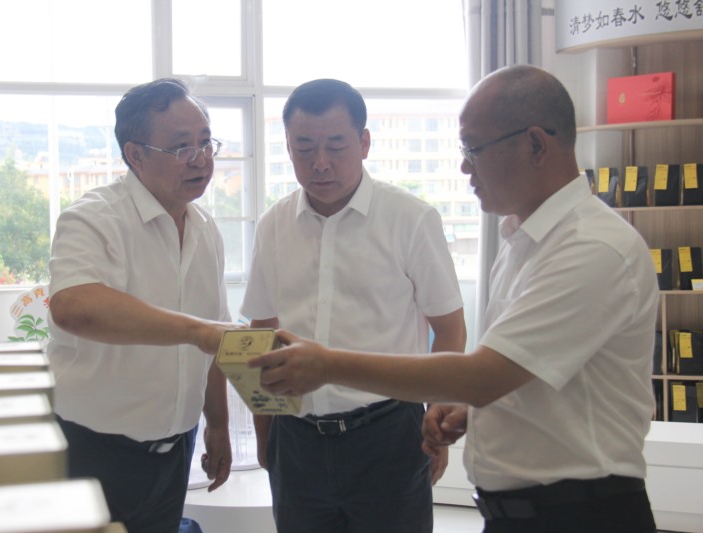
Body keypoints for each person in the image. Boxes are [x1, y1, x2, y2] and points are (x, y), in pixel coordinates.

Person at [250, 65, 659, 533]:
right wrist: (473, 412)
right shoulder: (524, 242)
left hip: (579, 512)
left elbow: (483, 374)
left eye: (473, 149)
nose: (465, 167)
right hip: (522, 508)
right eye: (304, 147)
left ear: (535, 145)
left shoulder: (591, 248)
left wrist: (326, 365)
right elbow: (524, 374)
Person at [240, 78, 466, 533]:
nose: (320, 162)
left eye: (336, 146)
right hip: (297, 438)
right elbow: (262, 332)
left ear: (364, 143)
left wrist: (439, 412)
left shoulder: (410, 219)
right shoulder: (273, 225)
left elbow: (449, 327)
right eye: (304, 148)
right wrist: (266, 436)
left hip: (388, 433)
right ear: (288, 146)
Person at [47, 78, 233, 532]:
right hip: (92, 449)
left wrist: (218, 425)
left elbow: (216, 341)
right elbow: (74, 306)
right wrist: (196, 330)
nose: (201, 159)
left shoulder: (206, 229)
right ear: (135, 154)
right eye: (182, 147)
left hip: (175, 450)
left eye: (206, 142)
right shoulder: (93, 218)